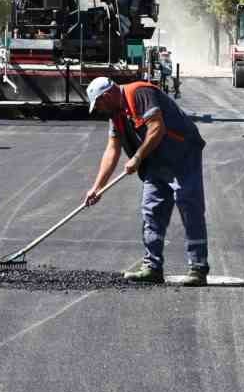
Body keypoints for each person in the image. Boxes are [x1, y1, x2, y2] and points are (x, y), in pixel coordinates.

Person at [83, 75, 210, 286]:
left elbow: (156, 127)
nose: (100, 109)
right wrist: (97, 188)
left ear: (107, 95)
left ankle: (198, 268)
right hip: (154, 161)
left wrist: (137, 158)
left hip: (182, 154)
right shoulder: (116, 115)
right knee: (151, 210)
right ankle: (152, 267)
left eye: (99, 104)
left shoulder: (139, 93)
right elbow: (112, 150)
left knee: (189, 206)